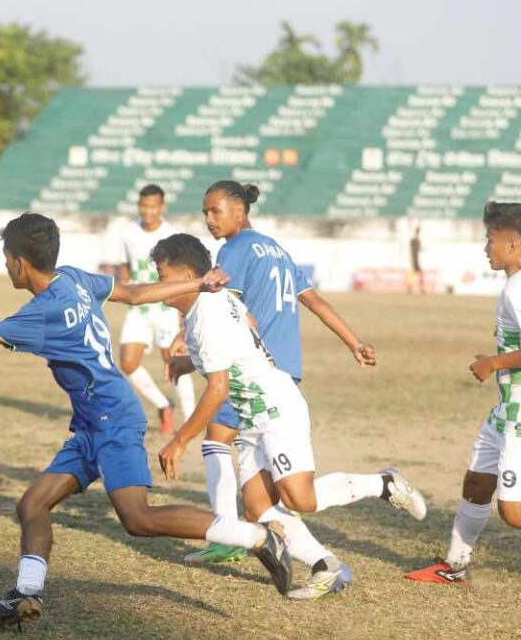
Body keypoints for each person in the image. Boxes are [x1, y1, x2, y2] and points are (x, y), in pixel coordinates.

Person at [0, 212, 292, 629]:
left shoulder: (40, 311)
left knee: (138, 520)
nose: (6, 266)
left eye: (7, 259)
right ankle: (26, 595)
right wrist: (199, 281)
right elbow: (136, 294)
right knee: (33, 505)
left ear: (20, 264)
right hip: (93, 420)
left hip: (112, 420)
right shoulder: (75, 279)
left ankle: (256, 537)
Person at [182, 180, 426, 565]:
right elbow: (314, 300)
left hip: (258, 370)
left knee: (217, 438)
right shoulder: (276, 249)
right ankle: (315, 559)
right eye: (205, 213)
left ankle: (227, 533)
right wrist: (353, 342)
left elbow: (230, 312)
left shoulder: (235, 249)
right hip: (284, 371)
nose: (209, 220)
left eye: (216, 211)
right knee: (264, 498)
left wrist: (192, 343)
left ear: (240, 211)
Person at [152, 233, 354, 599]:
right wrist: (191, 361)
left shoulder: (205, 317)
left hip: (276, 407)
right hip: (252, 415)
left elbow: (218, 390)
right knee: (257, 507)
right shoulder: (214, 300)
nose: (157, 283)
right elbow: (251, 324)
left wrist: (180, 440)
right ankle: (327, 566)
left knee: (300, 499)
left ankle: (382, 484)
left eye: (161, 273)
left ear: (185, 275)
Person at [406, 202, 521, 584]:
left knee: (513, 513)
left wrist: (493, 363)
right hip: (506, 408)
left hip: (519, 415)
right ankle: (456, 566)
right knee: (477, 482)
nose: (485, 248)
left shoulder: (519, 289)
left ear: (514, 245)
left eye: (491, 240)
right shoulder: (512, 283)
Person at [114, 184, 195, 434]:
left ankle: (191, 419)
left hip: (165, 307)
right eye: (143, 206)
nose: (147, 211)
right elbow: (124, 265)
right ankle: (163, 405)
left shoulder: (171, 236)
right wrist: (125, 287)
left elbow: (180, 274)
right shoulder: (128, 232)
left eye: (152, 206)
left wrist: (181, 310)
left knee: (174, 361)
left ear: (162, 207)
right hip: (138, 307)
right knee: (127, 363)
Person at [409, 226, 425, 294]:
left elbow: (417, 249)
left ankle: (418, 289)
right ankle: (412, 289)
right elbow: (415, 249)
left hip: (415, 259)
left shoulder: (415, 240)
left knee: (417, 275)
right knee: (416, 275)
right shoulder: (415, 240)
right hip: (414, 260)